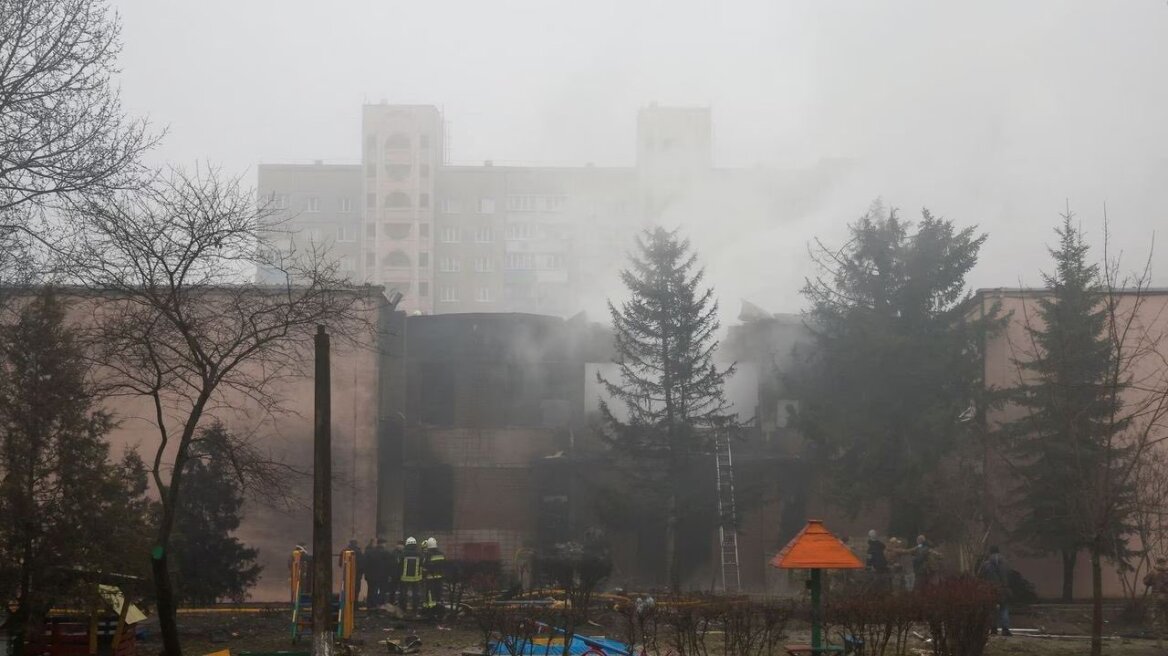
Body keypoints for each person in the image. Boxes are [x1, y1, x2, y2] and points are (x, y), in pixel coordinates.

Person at [978, 545, 1011, 636]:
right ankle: (1005, 629)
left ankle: (993, 629)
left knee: (991, 609)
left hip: (990, 589)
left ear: (990, 552)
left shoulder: (985, 565)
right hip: (1002, 589)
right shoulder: (1005, 563)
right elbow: (1009, 576)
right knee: (1004, 608)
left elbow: (981, 577)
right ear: (999, 552)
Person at [1144, 557, 1168, 649]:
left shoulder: (1153, 572)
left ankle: (1159, 643)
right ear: (1165, 562)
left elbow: (1145, 581)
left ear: (1157, 561)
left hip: (1157, 598)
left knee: (1158, 619)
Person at [422, 537, 447, 615]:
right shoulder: (441, 554)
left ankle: (430, 610)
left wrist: (423, 575)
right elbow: (444, 565)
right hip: (440, 578)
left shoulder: (428, 555)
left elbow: (425, 567)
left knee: (430, 594)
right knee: (439, 593)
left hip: (430, 578)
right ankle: (439, 609)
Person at [399, 536, 424, 614]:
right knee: (416, 594)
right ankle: (415, 609)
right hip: (416, 578)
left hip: (404, 578)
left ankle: (403, 608)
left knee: (403, 593)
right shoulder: (419, 554)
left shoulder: (403, 553)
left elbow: (399, 564)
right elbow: (422, 564)